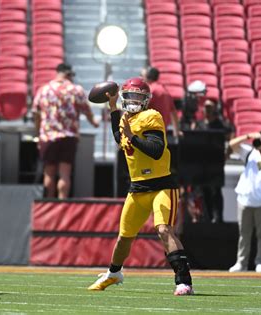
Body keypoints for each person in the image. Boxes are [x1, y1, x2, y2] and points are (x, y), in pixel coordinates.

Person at [87, 77, 194, 296]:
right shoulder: (126, 117)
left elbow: (155, 150)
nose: (134, 100)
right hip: (137, 188)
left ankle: (183, 281)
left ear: (146, 100)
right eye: (130, 96)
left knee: (164, 230)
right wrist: (113, 107)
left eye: (138, 96)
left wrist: (132, 136)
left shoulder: (151, 116)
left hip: (162, 185)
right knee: (123, 238)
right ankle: (114, 273)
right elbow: (120, 138)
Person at [32, 63, 99, 199]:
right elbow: (87, 111)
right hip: (69, 136)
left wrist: (38, 133)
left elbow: (36, 113)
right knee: (64, 173)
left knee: (49, 173)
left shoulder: (44, 90)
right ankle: (62, 204)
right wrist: (94, 123)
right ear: (69, 75)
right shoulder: (76, 90)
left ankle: (49, 203)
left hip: (48, 136)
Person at [228, 130, 261, 273]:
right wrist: (248, 136)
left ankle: (260, 262)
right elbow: (232, 145)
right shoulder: (250, 152)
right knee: (244, 233)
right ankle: (241, 262)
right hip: (245, 199)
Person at [192, 100, 228, 223]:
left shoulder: (220, 124)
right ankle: (207, 217)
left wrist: (226, 154)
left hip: (215, 162)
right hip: (202, 163)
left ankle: (218, 218)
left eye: (210, 107)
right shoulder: (199, 124)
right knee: (204, 191)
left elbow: (229, 137)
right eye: (205, 107)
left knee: (216, 190)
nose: (207, 110)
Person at [141, 66, 180, 138]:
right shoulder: (165, 91)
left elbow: (140, 109)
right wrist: (176, 131)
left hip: (148, 132)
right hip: (161, 133)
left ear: (147, 77)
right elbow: (174, 112)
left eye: (141, 76)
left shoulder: (151, 90)